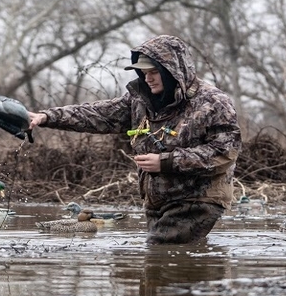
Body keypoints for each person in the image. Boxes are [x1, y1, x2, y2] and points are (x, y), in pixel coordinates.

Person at [27, 35, 241, 244]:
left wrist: (167, 161)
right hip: (158, 201)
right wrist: (46, 117)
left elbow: (225, 152)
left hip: (197, 199)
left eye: (154, 72)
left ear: (172, 71)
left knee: (160, 251)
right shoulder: (140, 99)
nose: (148, 78)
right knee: (162, 271)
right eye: (143, 72)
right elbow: (98, 114)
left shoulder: (213, 103)